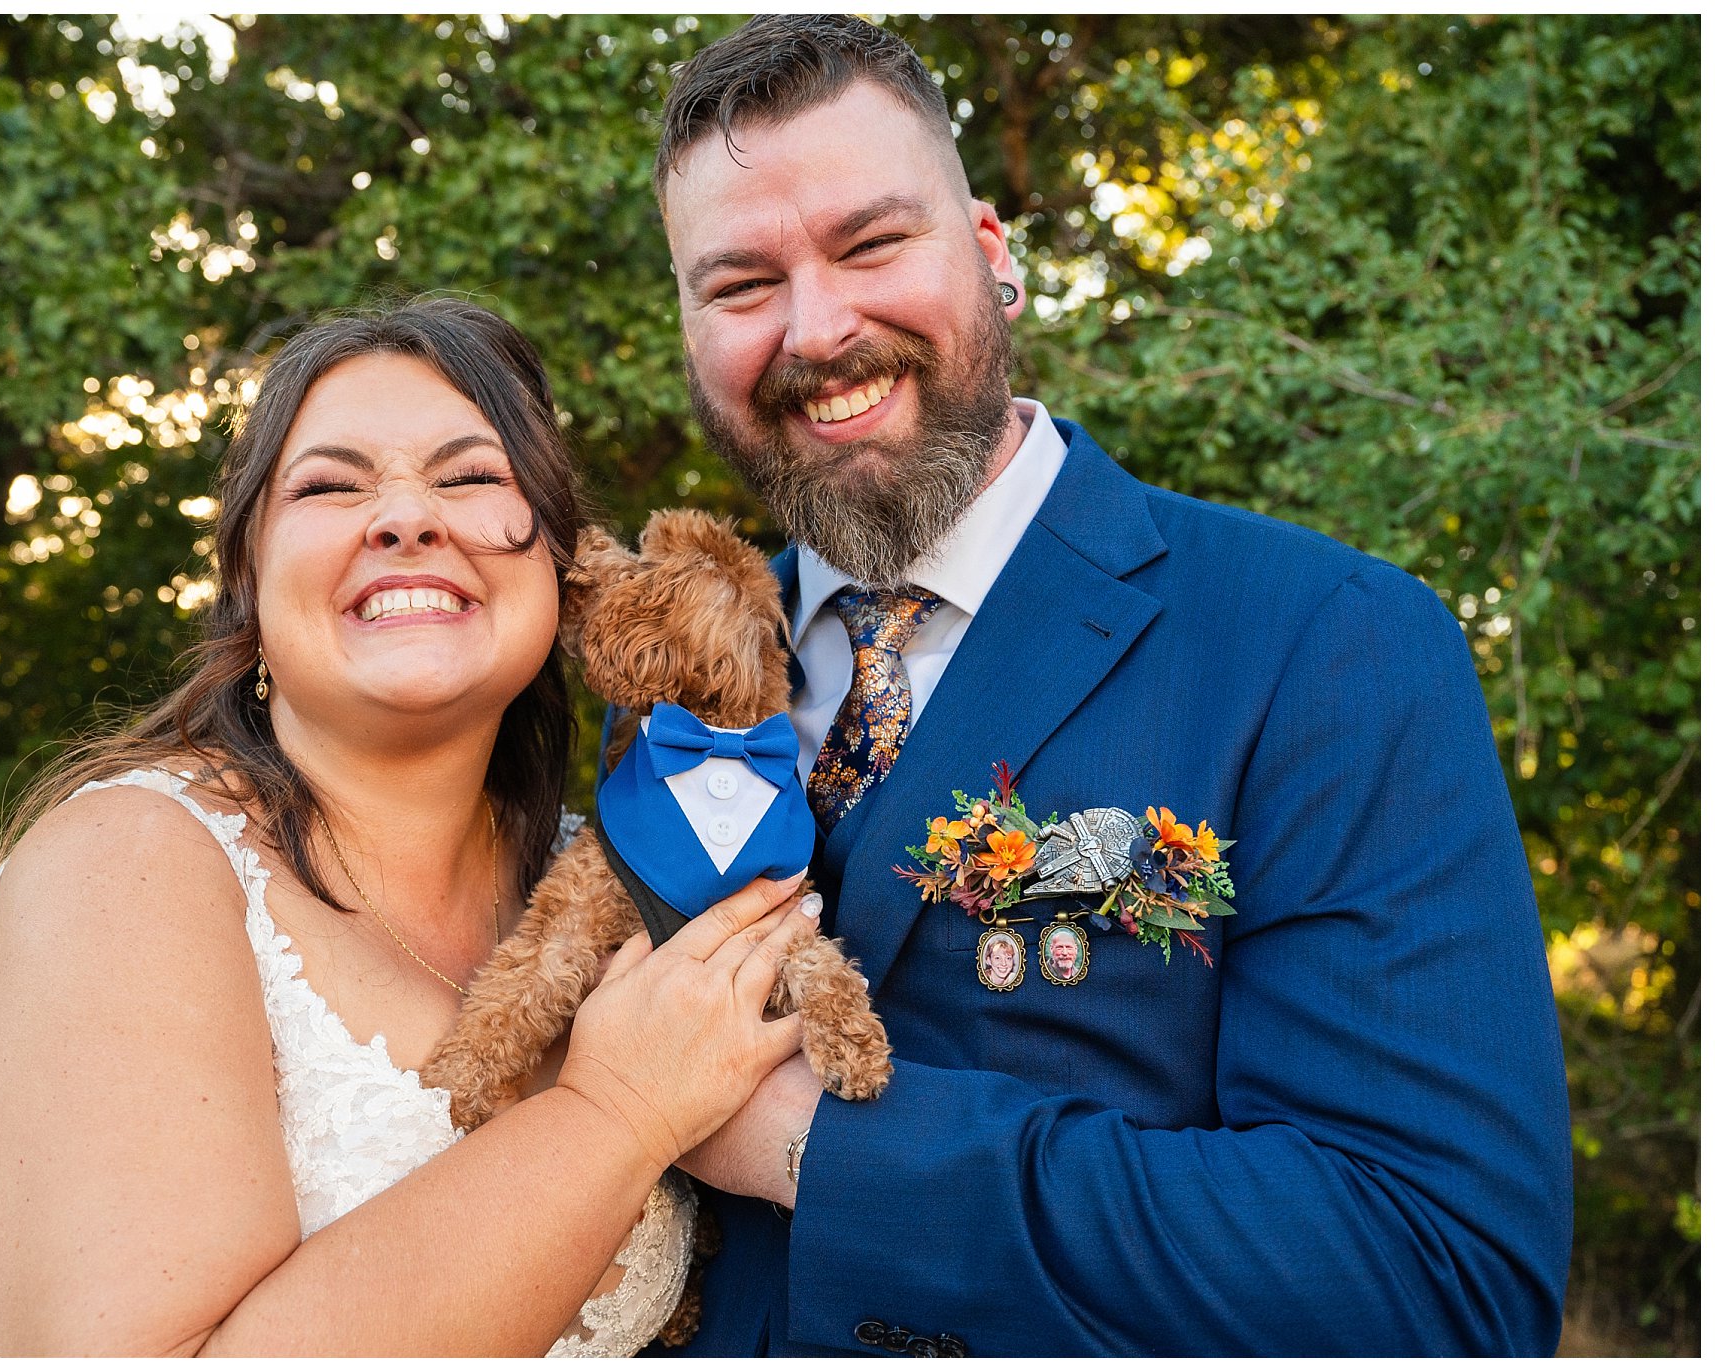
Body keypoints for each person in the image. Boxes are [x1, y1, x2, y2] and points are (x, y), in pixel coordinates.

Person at [646, 16, 1573, 1356]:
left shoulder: (1329, 642)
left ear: (991, 255)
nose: (818, 326)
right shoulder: (673, 685)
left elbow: (1434, 1278)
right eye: (739, 285)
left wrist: (813, 1149)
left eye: (871, 243)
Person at [0, 300, 819, 1355]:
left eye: (469, 477)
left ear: (563, 568)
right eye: (328, 484)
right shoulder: (124, 869)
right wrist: (619, 1112)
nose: (405, 519)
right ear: (247, 579)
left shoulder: (608, 869)